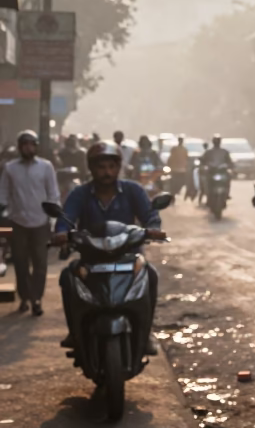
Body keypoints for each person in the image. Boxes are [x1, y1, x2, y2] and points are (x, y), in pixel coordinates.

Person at [53, 141, 165, 352]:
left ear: (118, 167)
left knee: (151, 275)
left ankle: (145, 332)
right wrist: (61, 233)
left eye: (111, 167)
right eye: (101, 167)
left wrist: (153, 228)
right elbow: (66, 218)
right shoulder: (80, 193)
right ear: (92, 168)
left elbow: (149, 215)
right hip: (91, 259)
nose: (106, 172)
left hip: (128, 257)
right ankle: (74, 332)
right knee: (68, 277)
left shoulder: (133, 190)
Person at [0, 130, 59, 315]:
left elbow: (53, 193)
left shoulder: (46, 167)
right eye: (24, 144)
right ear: (19, 147)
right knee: (20, 263)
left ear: (36, 146)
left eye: (31, 144)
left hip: (40, 221)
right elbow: (3, 194)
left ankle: (37, 299)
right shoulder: (10, 168)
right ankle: (24, 298)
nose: (28, 147)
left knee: (40, 264)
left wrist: (54, 218)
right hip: (18, 222)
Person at [199, 135, 233, 201]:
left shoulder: (224, 152)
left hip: (221, 171)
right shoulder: (209, 152)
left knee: (228, 177)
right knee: (205, 179)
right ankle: (207, 192)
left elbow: (229, 161)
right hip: (212, 171)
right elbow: (203, 160)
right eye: (216, 141)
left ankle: (227, 193)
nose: (216, 143)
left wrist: (230, 166)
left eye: (217, 141)